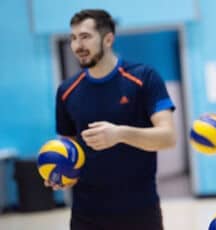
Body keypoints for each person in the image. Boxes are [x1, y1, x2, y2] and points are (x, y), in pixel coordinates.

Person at [44, 9, 176, 230]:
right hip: (86, 215)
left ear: (108, 39)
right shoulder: (66, 91)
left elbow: (168, 137)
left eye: (85, 37)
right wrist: (59, 172)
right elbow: (67, 147)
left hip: (140, 212)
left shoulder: (144, 78)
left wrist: (120, 134)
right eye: (74, 38)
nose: (77, 45)